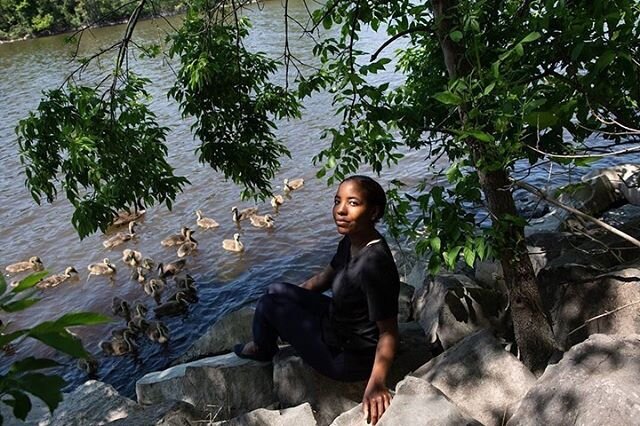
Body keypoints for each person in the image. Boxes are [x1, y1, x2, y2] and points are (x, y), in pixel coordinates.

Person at [235, 175, 400, 425]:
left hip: (347, 357)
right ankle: (270, 329)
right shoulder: (353, 241)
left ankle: (263, 349)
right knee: (276, 290)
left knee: (268, 305)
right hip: (338, 322)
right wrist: (291, 301)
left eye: (353, 203)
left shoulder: (374, 265)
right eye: (337, 201)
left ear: (373, 211)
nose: (340, 210)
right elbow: (325, 278)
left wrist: (377, 383)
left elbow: (388, 331)